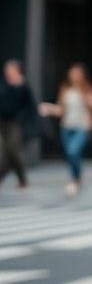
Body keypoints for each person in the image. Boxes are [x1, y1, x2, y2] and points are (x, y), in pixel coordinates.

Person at [38, 63, 92, 197]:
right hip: (67, 127)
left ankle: (75, 179)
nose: (74, 76)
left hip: (82, 127)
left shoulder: (87, 89)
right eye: (72, 73)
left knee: (73, 151)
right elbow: (61, 110)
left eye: (77, 73)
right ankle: (77, 177)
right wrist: (48, 108)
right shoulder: (65, 90)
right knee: (70, 154)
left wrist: (91, 101)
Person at [0, 60, 38, 192]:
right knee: (3, 152)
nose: (8, 73)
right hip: (2, 122)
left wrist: (25, 121)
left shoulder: (23, 86)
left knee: (13, 150)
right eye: (7, 70)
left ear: (17, 71)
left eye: (11, 70)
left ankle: (22, 179)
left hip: (16, 124)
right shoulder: (3, 84)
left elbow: (30, 107)